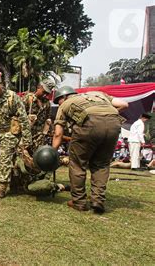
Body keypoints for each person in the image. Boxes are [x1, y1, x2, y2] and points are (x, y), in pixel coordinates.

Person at [52, 86, 128, 214]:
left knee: (77, 164)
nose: (59, 104)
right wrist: (104, 116)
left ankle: (79, 202)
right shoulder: (97, 94)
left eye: (58, 101)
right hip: (114, 123)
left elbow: (58, 134)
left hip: (89, 124)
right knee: (102, 164)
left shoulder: (65, 104)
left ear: (64, 97)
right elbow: (124, 104)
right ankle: (97, 200)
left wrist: (52, 152)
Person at [23, 78, 55, 152]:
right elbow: (19, 115)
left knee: (38, 158)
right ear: (39, 87)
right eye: (44, 92)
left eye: (47, 93)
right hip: (26, 135)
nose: (45, 95)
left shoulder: (47, 103)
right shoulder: (28, 99)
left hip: (39, 137)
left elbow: (48, 118)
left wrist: (50, 130)